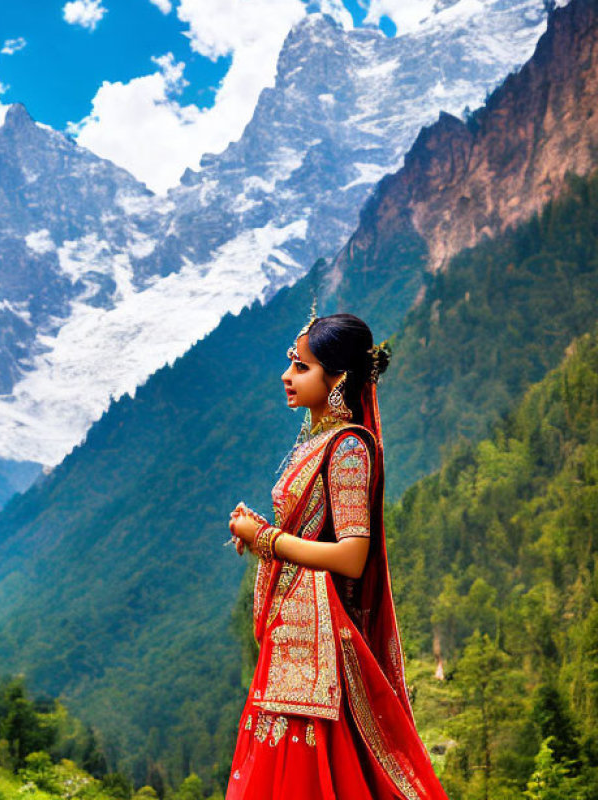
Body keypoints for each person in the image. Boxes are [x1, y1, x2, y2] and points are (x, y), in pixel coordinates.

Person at [225, 309, 448, 800]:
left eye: (302, 367)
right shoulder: (321, 441)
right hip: (296, 637)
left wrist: (266, 539)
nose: (287, 375)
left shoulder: (348, 447)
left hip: (322, 642)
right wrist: (261, 531)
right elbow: (309, 529)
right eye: (291, 363)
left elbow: (351, 555)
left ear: (339, 379)